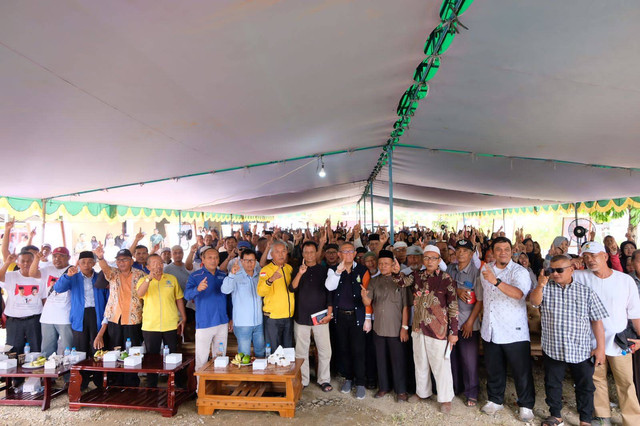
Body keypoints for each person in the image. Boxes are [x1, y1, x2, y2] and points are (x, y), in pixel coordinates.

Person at [574, 241, 640, 426]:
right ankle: (603, 416)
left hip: (619, 339)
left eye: (594, 256)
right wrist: (572, 263)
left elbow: (635, 312)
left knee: (626, 382)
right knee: (596, 379)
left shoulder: (624, 280)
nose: (590, 260)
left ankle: (633, 420)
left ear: (605, 256)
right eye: (586, 257)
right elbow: (558, 270)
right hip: (590, 339)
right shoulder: (580, 276)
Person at [393, 245, 458, 413]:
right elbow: (401, 282)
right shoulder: (417, 276)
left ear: (439, 260)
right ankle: (423, 393)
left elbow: (453, 307)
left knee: (440, 365)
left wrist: (454, 333)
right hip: (418, 327)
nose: (430, 261)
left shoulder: (446, 278)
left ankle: (445, 398)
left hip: (438, 329)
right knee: (420, 362)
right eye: (427, 258)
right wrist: (395, 272)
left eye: (433, 258)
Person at [479, 237, 535, 422]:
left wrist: (496, 282)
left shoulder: (520, 271)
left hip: (514, 330)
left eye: (506, 249)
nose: (503, 252)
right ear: (493, 252)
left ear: (512, 251)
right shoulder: (485, 270)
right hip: (491, 328)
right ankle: (495, 400)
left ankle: (526, 405)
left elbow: (519, 294)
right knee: (494, 369)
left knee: (521, 371)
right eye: (498, 249)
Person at [55, 251, 109, 389]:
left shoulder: (99, 277)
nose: (86, 265)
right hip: (80, 316)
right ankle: (82, 382)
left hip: (97, 314)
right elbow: (58, 288)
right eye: (83, 262)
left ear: (94, 263)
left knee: (98, 348)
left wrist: (106, 317)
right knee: (80, 349)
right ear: (78, 263)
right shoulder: (73, 276)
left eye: (90, 262)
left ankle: (99, 381)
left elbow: (108, 297)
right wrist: (67, 276)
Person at [325, 241, 372, 400]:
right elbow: (330, 287)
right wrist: (338, 272)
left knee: (358, 350)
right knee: (343, 349)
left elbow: (367, 295)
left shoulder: (362, 270)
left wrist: (367, 318)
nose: (347, 255)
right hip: (340, 316)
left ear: (354, 254)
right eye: (344, 252)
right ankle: (348, 378)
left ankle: (360, 383)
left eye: (350, 252)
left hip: (357, 316)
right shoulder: (333, 270)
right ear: (339, 254)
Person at [361, 250, 409, 402]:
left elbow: (406, 306)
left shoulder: (401, 281)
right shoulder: (375, 281)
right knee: (380, 359)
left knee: (398, 360)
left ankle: (401, 390)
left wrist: (404, 327)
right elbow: (368, 302)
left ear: (393, 264)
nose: (382, 266)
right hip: (379, 328)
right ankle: (383, 387)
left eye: (386, 263)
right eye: (380, 263)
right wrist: (364, 297)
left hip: (396, 328)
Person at [94, 247, 146, 386]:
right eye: (119, 260)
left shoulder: (140, 274)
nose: (121, 262)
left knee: (133, 352)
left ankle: (132, 382)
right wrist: (100, 257)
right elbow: (105, 268)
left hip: (133, 319)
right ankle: (116, 382)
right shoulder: (113, 274)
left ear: (131, 261)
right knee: (115, 351)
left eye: (125, 259)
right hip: (115, 319)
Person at [136, 254, 186, 387]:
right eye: (154, 263)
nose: (158, 266)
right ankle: (152, 385)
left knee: (173, 355)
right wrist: (149, 279)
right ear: (148, 267)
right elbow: (140, 294)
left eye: (160, 263)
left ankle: (177, 384)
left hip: (170, 324)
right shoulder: (143, 280)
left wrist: (184, 316)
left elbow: (179, 298)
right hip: (151, 325)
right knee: (152, 357)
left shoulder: (171, 279)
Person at [290, 241, 332, 392]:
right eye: (306, 252)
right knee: (301, 350)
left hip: (321, 317)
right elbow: (292, 288)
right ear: (302, 254)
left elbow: (329, 293)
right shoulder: (297, 270)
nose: (308, 255)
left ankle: (324, 379)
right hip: (301, 316)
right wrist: (301, 273)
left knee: (324, 350)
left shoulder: (324, 271)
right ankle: (304, 379)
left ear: (316, 253)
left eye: (311, 252)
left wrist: (329, 313)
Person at [447, 239, 483, 407]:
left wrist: (470, 322)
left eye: (465, 251)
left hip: (468, 322)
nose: (460, 253)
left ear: (471, 254)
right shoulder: (450, 269)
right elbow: (443, 288)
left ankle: (472, 392)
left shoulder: (476, 273)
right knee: (452, 359)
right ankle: (455, 388)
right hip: (450, 322)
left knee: (469, 360)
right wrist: (457, 289)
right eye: (458, 250)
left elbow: (480, 301)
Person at [184, 247, 231, 374]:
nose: (213, 260)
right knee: (201, 359)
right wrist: (197, 289)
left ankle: (217, 388)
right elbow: (187, 295)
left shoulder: (223, 275)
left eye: (216, 257)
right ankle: (200, 391)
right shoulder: (195, 276)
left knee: (221, 358)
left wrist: (230, 318)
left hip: (222, 322)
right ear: (203, 260)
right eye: (209, 257)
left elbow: (228, 299)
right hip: (204, 323)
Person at [29, 247, 73, 358]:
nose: (57, 259)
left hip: (65, 316)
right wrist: (36, 259)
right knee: (46, 351)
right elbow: (32, 274)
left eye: (61, 256)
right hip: (47, 317)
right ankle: (47, 374)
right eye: (55, 256)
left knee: (68, 350)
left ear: (68, 257)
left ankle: (66, 375)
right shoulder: (48, 269)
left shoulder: (73, 270)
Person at [221, 249, 264, 358]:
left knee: (261, 353)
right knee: (244, 355)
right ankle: (245, 374)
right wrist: (231, 274)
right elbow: (225, 290)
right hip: (243, 324)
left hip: (259, 322)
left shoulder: (259, 277)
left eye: (252, 260)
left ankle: (260, 375)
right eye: (246, 260)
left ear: (256, 262)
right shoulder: (235, 276)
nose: (250, 263)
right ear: (241, 261)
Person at [0, 251, 45, 354]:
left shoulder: (41, 277)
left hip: (34, 320)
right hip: (14, 321)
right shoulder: (11, 276)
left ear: (34, 262)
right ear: (18, 263)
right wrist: (7, 262)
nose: (26, 264)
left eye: (29, 261)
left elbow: (44, 299)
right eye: (23, 261)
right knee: (13, 352)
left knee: (36, 350)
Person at [257, 241, 295, 348]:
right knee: (273, 351)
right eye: (277, 252)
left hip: (288, 316)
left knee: (288, 349)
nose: (281, 254)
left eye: (283, 251)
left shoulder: (289, 268)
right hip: (273, 317)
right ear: (271, 254)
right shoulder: (266, 270)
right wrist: (270, 280)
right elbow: (261, 292)